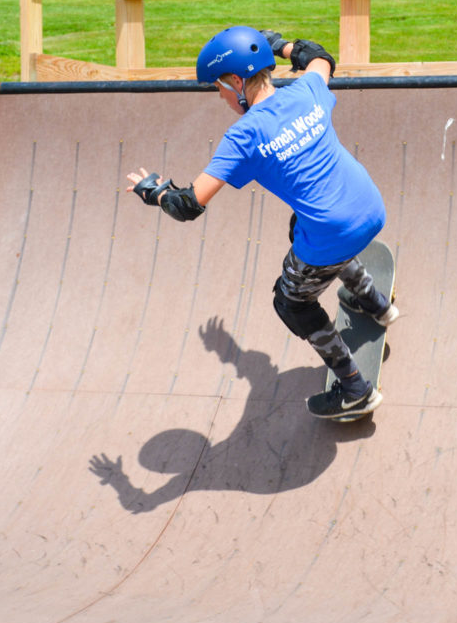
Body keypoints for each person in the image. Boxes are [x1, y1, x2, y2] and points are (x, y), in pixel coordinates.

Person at [127, 25, 398, 420]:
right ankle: (374, 302)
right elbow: (320, 56)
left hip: (332, 234)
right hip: (370, 208)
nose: (220, 97)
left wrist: (155, 193)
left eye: (218, 87)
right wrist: (283, 46)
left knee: (291, 301)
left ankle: (355, 389)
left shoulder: (244, 137)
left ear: (236, 81)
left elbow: (187, 205)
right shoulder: (306, 90)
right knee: (301, 229)